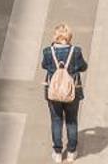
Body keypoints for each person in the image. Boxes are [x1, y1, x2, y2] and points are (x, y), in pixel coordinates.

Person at [40, 23, 87, 160]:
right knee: (72, 121)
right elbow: (83, 67)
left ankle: (58, 153)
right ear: (69, 37)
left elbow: (44, 65)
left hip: (54, 92)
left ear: (55, 36)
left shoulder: (48, 51)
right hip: (72, 92)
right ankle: (72, 152)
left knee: (56, 120)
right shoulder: (76, 51)